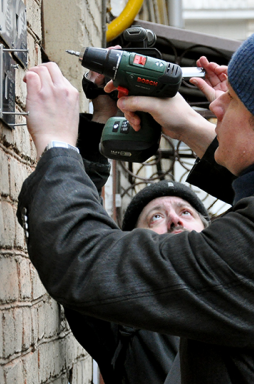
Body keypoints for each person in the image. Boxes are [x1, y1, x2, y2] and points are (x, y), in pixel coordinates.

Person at [18, 12, 254, 383]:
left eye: (230, 101)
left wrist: (58, 143)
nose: (213, 106)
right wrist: (196, 130)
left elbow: (81, 260)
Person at [64, 73, 209, 384]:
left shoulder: (243, 294)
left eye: (185, 211)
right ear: (132, 246)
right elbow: (73, 240)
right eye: (156, 217)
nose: (174, 220)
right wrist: (104, 115)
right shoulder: (123, 319)